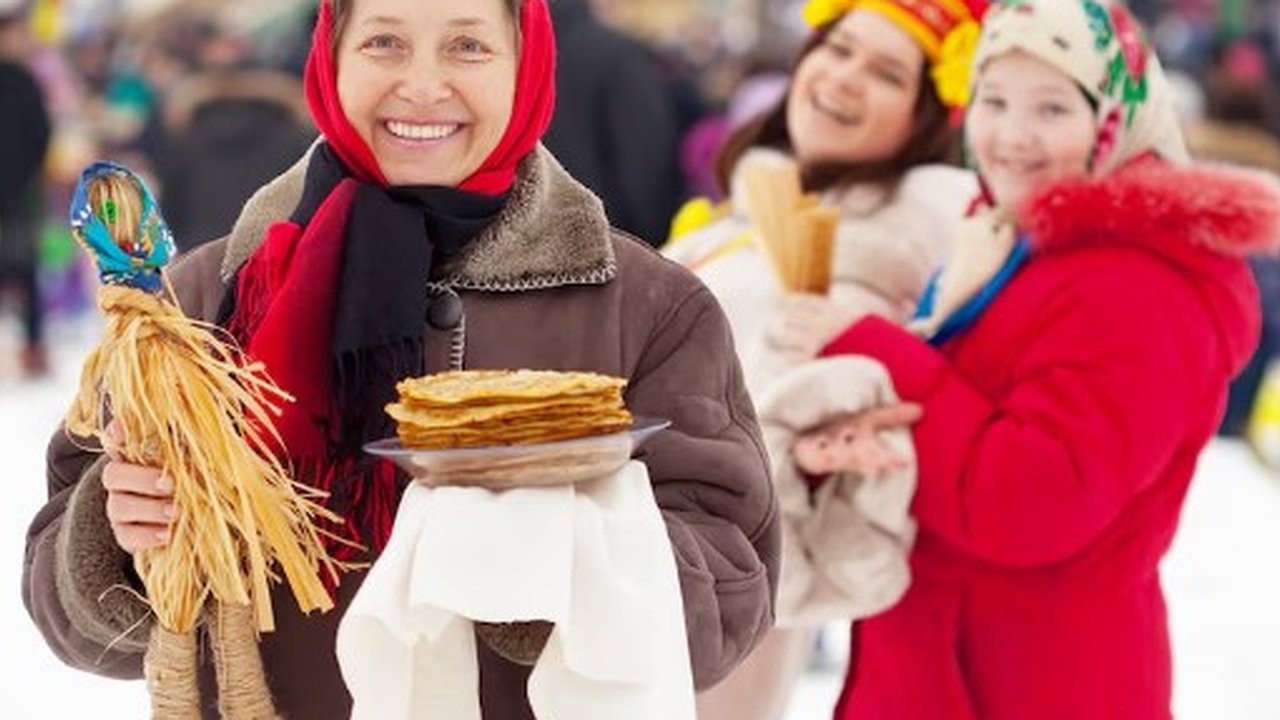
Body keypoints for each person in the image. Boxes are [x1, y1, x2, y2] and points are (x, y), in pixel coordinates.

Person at [21, 1, 780, 718]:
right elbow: (65, 603)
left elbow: (733, 597)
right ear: (331, 57)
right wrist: (118, 532)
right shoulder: (200, 301)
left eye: (468, 45)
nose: (422, 85)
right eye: (384, 41)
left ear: (526, 64)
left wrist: (564, 554)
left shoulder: (647, 307)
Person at [795, 1, 1280, 717]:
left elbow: (1031, 501)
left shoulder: (1135, 286)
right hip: (944, 667)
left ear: (1115, 121)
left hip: (1035, 683)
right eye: (993, 100)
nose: (1012, 136)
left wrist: (883, 352)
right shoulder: (1010, 245)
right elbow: (965, 426)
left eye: (1052, 108)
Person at [662, 1, 982, 718]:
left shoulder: (874, 254)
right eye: (837, 49)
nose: (843, 78)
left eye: (886, 73)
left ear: (924, 116)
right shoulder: (764, 212)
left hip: (710, 605)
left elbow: (798, 458)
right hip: (640, 572)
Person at [543, 0, 686, 247]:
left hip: (530, 236)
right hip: (609, 242)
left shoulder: (511, 50)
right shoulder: (617, 54)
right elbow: (643, 158)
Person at [0, 3, 52, 378]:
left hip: (18, 191)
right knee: (25, 269)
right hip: (18, 189)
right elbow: (41, 134)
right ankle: (32, 347)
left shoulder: (24, 79)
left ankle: (33, 346)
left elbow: (41, 134)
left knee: (27, 270)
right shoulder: (22, 80)